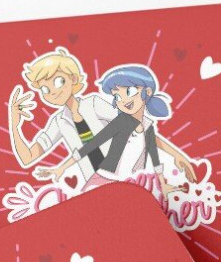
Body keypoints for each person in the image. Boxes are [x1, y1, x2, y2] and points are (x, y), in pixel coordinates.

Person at [43, 64, 197, 194]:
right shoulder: (122, 122)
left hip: (129, 185)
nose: (123, 101)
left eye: (129, 92)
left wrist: (163, 182)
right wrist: (61, 168)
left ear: (148, 92)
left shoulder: (148, 126)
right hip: (104, 180)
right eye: (117, 97)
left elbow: (155, 157)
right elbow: (92, 145)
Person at [7, 47, 116, 187]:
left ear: (73, 78)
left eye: (59, 81)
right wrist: (14, 125)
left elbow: (129, 125)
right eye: (45, 89)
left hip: (121, 171)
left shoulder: (93, 103)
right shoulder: (59, 122)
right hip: (96, 182)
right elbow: (27, 158)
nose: (53, 92)